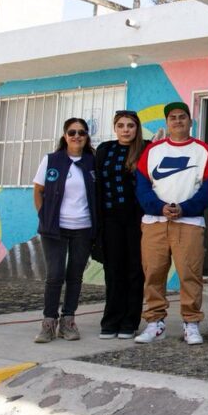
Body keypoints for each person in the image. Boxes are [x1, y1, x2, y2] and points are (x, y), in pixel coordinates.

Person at [134, 101, 208, 345]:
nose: (178, 121)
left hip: (189, 223)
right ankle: (154, 323)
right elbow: (141, 186)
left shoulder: (202, 151)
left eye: (183, 117)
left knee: (190, 275)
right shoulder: (153, 151)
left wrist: (184, 208)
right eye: (173, 118)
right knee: (153, 273)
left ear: (191, 122)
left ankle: (191, 324)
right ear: (167, 123)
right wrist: (159, 207)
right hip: (154, 222)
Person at [32, 117, 97, 343]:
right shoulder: (51, 160)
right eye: (72, 132)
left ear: (87, 136)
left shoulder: (92, 162)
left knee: (75, 276)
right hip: (55, 229)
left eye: (81, 132)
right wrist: (44, 216)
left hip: (83, 228)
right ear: (64, 136)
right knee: (55, 274)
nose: (76, 136)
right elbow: (38, 190)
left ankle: (68, 321)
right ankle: (48, 322)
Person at [95, 110, 149, 339]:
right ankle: (111, 321)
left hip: (137, 219)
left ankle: (130, 322)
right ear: (115, 128)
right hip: (109, 219)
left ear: (137, 128)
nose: (126, 129)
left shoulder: (146, 149)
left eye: (130, 125)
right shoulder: (104, 149)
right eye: (121, 125)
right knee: (113, 269)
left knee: (135, 270)